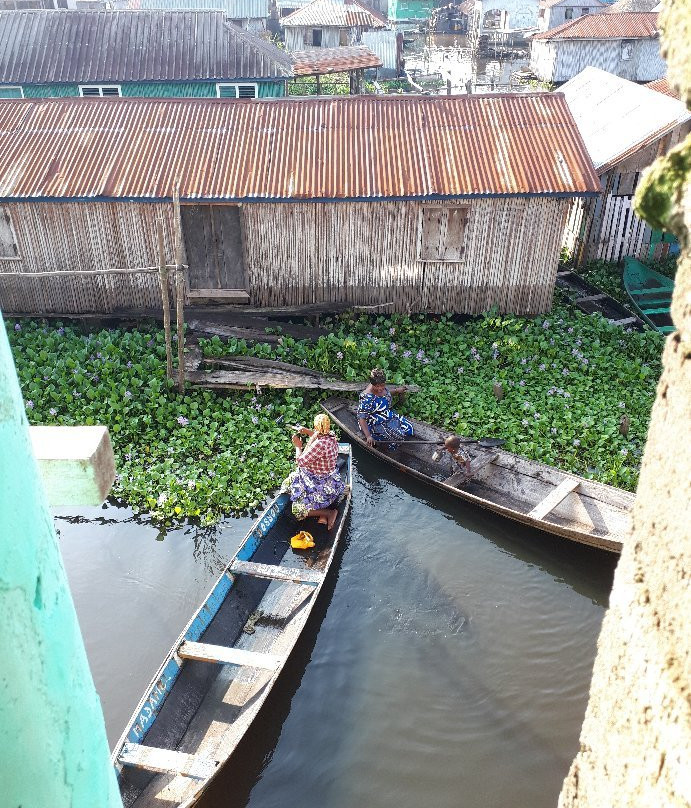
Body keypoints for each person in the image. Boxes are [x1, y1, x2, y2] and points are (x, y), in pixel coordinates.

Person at [281, 413, 345, 530]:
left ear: (316, 427)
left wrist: (298, 446)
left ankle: (328, 513)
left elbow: (300, 462)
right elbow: (316, 435)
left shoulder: (319, 445)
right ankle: (321, 508)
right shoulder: (331, 435)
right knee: (288, 483)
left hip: (318, 481)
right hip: (330, 478)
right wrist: (306, 431)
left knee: (297, 510)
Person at [357, 368, 414, 449]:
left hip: (385, 414)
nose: (380, 388)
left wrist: (397, 391)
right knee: (398, 436)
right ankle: (389, 448)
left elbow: (387, 394)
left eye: (383, 385)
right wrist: (368, 436)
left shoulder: (382, 388)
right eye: (377, 386)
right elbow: (361, 418)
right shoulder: (367, 398)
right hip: (373, 421)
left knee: (408, 428)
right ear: (372, 384)